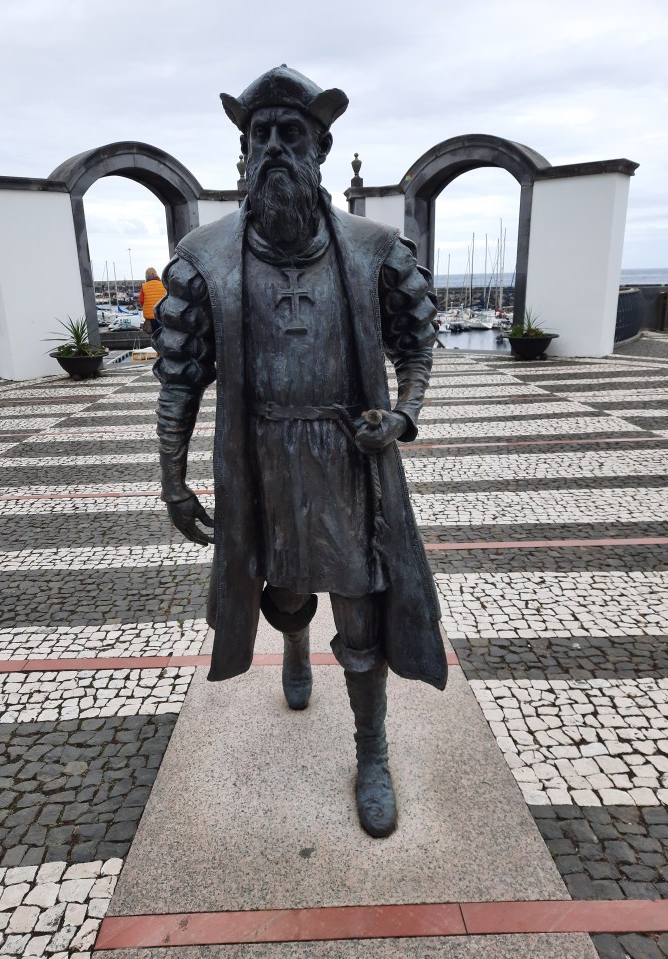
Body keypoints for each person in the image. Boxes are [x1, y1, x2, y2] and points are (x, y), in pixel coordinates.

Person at [153, 65, 447, 838]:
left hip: (347, 461)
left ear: (320, 150)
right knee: (283, 590)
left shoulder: (375, 250)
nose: (276, 149)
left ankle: (371, 749)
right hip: (259, 460)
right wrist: (174, 480)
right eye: (262, 136)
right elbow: (179, 378)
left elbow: (418, 345)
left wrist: (404, 415)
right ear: (243, 153)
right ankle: (291, 642)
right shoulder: (205, 257)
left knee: (361, 609)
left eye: (292, 135)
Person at [139, 267, 166, 333]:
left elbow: (141, 300)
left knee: (154, 334)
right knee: (163, 334)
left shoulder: (144, 286)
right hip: (162, 315)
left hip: (151, 317)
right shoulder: (163, 284)